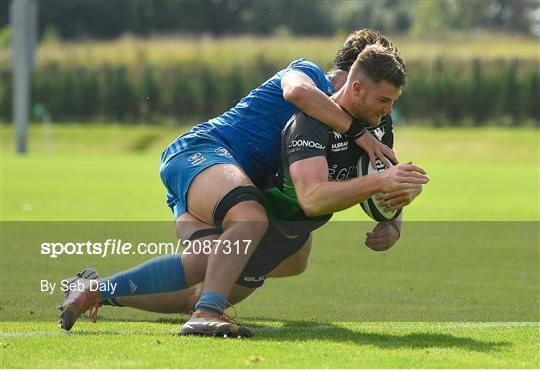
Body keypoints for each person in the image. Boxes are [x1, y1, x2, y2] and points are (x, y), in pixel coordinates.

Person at [59, 44, 428, 338]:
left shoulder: (370, 120)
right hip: (201, 152)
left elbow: (384, 170)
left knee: (210, 271)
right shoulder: (311, 79)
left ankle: (96, 290)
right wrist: (357, 133)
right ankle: (207, 315)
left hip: (229, 182)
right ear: (350, 76)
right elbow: (298, 93)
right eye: (374, 94)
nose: (385, 109)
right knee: (250, 221)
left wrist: (394, 222)